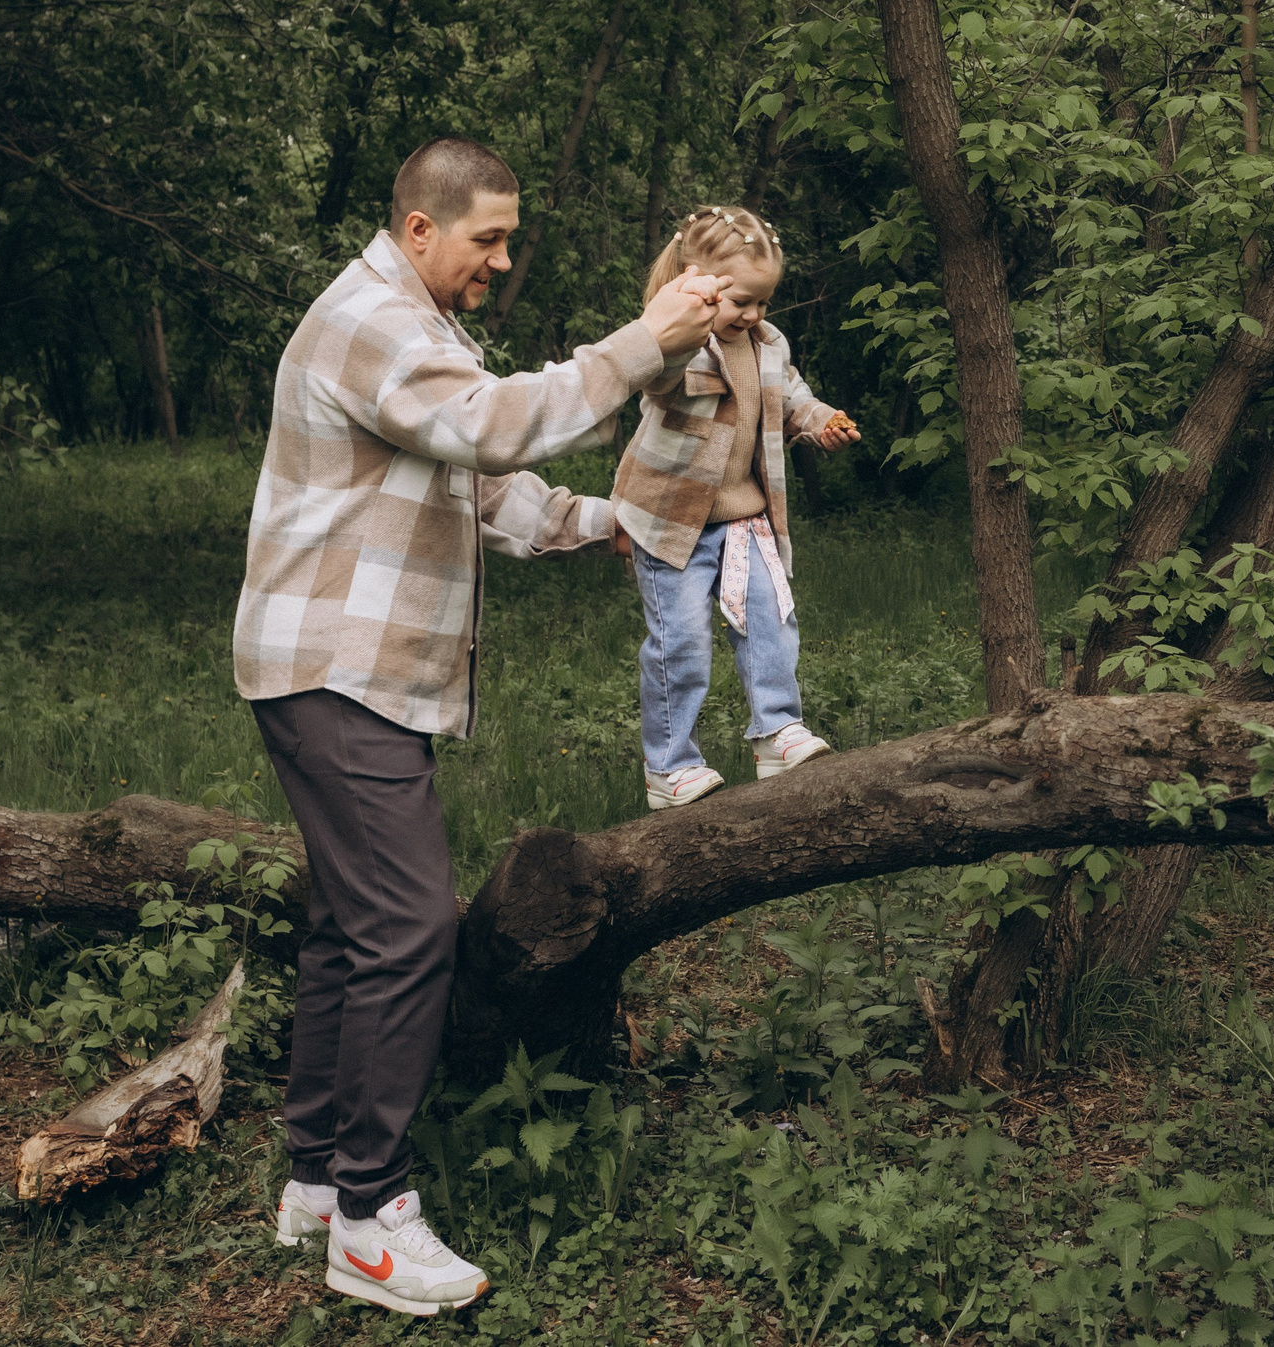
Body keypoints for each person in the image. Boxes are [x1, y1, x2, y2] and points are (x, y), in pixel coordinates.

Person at [234, 138, 725, 1316]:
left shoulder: (421, 334)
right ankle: (372, 1217)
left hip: (345, 673)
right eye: (487, 238)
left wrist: (599, 520)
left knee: (354, 930)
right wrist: (640, 342)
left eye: (508, 239)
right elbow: (496, 428)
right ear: (419, 228)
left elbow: (480, 475)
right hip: (333, 670)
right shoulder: (370, 320)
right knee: (409, 929)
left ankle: (314, 1179)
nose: (501, 261)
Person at [612, 204, 860, 810]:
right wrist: (675, 321)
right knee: (681, 643)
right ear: (697, 285)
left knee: (770, 620)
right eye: (739, 301)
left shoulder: (767, 344)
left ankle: (777, 731)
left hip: (746, 516)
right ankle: (670, 768)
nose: (752, 315)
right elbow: (655, 375)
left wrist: (820, 420)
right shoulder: (676, 349)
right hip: (669, 523)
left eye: (762, 303)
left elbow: (792, 395)